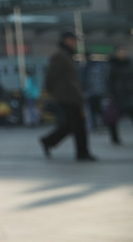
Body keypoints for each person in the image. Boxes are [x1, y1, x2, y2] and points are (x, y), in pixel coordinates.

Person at [39, 32, 96, 161]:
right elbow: (51, 75)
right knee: (78, 125)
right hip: (66, 96)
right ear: (65, 40)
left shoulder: (67, 54)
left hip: (71, 95)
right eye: (72, 40)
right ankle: (82, 153)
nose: (74, 42)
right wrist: (50, 92)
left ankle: (48, 141)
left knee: (73, 125)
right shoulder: (60, 55)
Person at [106, 45, 133, 145]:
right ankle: (114, 138)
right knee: (113, 117)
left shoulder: (129, 64)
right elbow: (109, 80)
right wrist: (110, 93)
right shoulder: (112, 65)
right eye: (119, 52)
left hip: (129, 94)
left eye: (123, 52)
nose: (122, 54)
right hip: (117, 95)